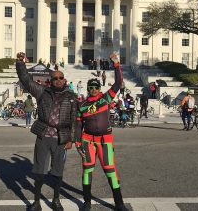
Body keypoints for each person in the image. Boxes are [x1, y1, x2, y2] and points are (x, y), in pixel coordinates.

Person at [16, 52, 77, 211]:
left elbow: (74, 119)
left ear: (64, 80)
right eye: (55, 78)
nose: (58, 80)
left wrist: (72, 139)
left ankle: (56, 200)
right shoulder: (42, 92)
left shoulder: (71, 96)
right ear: (50, 80)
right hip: (44, 136)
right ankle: (36, 201)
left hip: (61, 138)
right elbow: (26, 80)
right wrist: (20, 63)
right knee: (39, 171)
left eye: (60, 78)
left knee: (57, 171)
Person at [75, 53, 128, 211]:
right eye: (90, 87)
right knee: (87, 171)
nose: (93, 89)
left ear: (100, 88)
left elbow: (118, 82)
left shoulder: (106, 98)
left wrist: (116, 64)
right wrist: (78, 142)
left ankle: (119, 204)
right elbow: (78, 126)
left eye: (95, 87)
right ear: (87, 89)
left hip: (105, 140)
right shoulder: (81, 105)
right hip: (87, 141)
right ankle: (87, 202)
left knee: (111, 171)